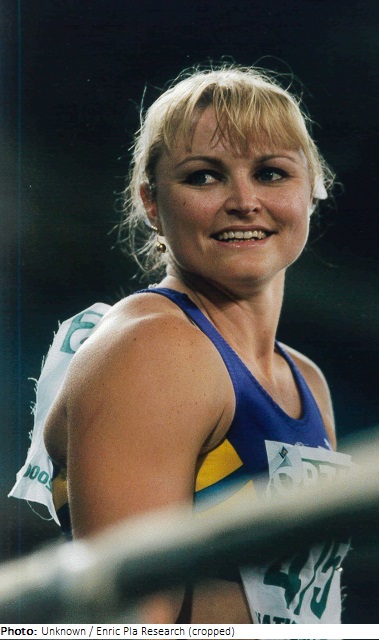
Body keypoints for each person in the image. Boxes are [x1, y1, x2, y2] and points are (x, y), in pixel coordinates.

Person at [39, 65, 351, 624]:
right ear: (151, 202)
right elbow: (127, 627)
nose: (244, 201)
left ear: (313, 190)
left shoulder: (307, 379)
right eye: (204, 177)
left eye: (271, 173)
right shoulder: (153, 348)